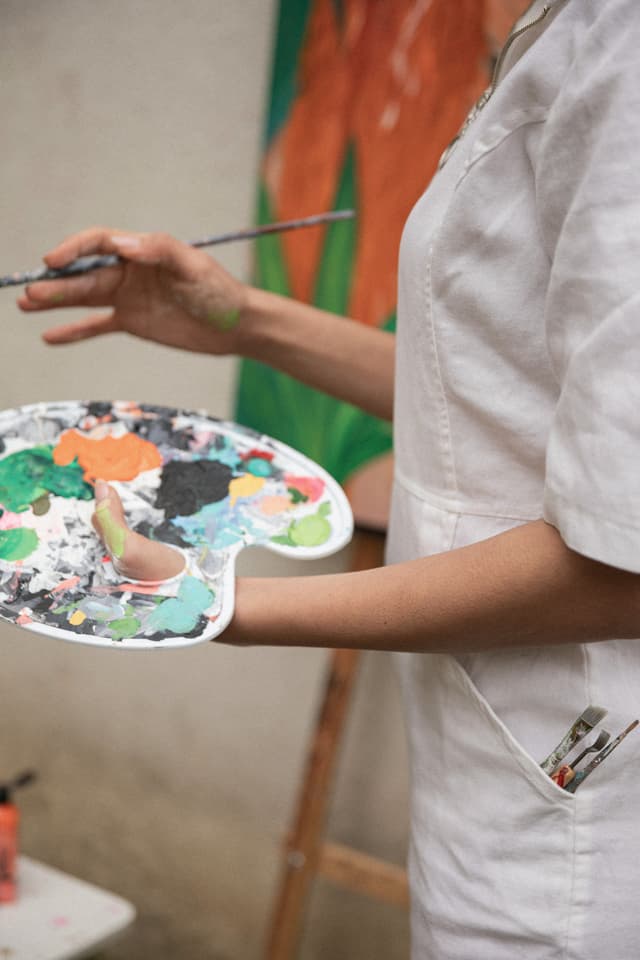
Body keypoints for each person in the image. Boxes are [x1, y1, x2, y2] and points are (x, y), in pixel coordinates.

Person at [17, 0, 640, 955]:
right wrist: (242, 319)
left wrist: (212, 603)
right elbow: (487, 398)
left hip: (578, 813)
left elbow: (621, 559)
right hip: (501, 761)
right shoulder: (557, 29)